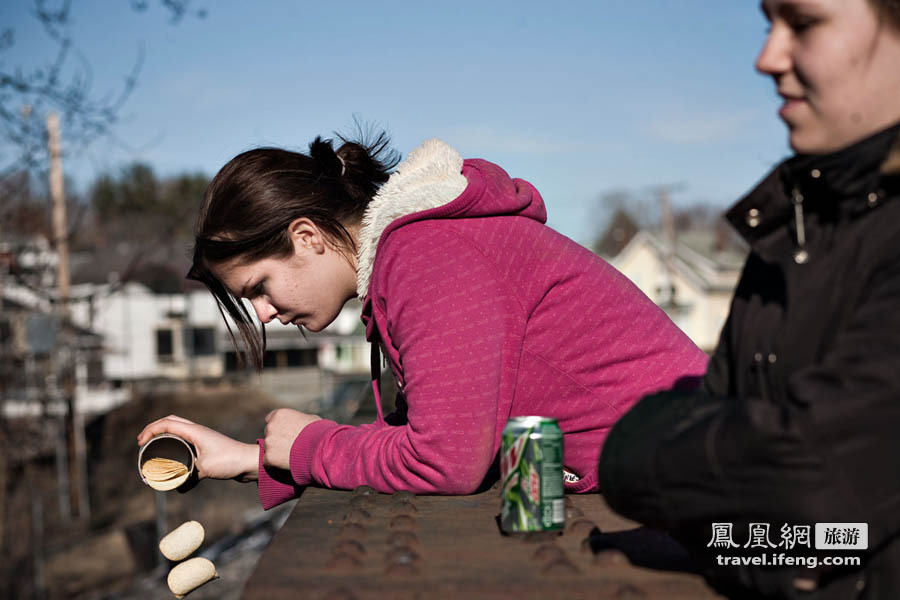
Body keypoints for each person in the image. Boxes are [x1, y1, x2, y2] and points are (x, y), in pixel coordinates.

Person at [137, 131, 708, 509]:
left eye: (258, 287)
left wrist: (310, 445)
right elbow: (436, 441)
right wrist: (249, 459)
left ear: (306, 236)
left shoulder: (428, 257)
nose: (264, 313)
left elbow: (444, 462)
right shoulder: (410, 259)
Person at [598, 0, 900, 598]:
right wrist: (771, 553)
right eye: (769, 25)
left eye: (805, 24)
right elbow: (818, 527)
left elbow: (810, 484)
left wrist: (642, 449)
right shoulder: (792, 236)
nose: (767, 58)